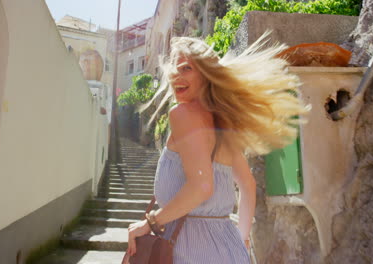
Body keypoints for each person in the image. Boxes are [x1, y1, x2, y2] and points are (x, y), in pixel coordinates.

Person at [127, 34, 308, 263]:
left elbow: (202, 187)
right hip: (228, 248)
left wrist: (149, 223)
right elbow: (248, 185)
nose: (175, 75)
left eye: (186, 69)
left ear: (207, 76)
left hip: (189, 250)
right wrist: (241, 239)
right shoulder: (222, 123)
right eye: (174, 68)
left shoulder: (183, 114)